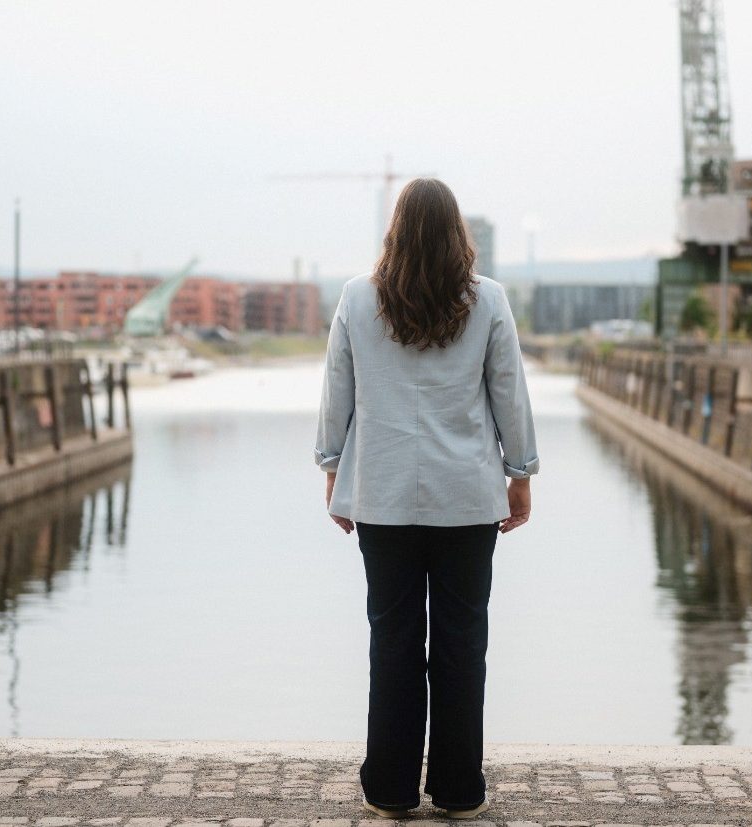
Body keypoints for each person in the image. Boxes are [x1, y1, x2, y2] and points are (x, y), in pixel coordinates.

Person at [315, 179, 538, 822]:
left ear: (395, 232)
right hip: (466, 498)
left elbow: (338, 391)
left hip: (382, 496)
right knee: (463, 643)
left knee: (392, 643)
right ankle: (459, 786)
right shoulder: (488, 299)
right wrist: (520, 473)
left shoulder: (359, 299)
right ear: (457, 233)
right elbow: (509, 393)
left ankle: (390, 786)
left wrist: (333, 470)